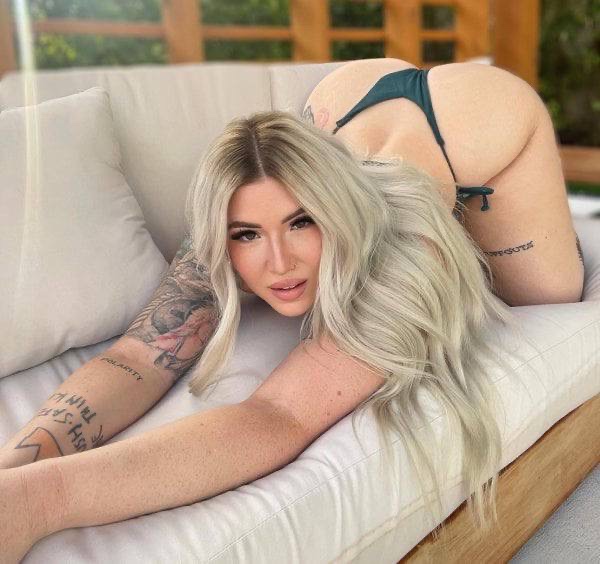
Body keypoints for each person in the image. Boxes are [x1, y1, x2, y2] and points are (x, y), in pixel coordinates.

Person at [0, 57, 583, 561]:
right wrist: (15, 470)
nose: (278, 264)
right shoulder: (234, 214)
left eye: (303, 222)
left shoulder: (405, 247)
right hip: (349, 96)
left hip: (485, 121)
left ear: (331, 207)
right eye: (248, 235)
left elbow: (278, 415)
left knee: (546, 294)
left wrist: (42, 499)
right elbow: (137, 356)